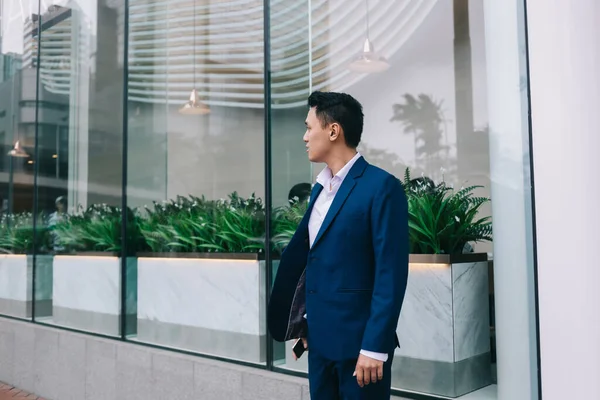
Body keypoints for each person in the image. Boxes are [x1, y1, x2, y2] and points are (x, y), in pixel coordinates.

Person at [268, 91, 409, 399]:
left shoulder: (382, 187)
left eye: (309, 127)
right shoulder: (319, 190)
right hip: (319, 344)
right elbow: (316, 261)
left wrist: (375, 346)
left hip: (361, 351)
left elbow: (391, 275)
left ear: (333, 131)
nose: (305, 137)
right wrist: (305, 324)